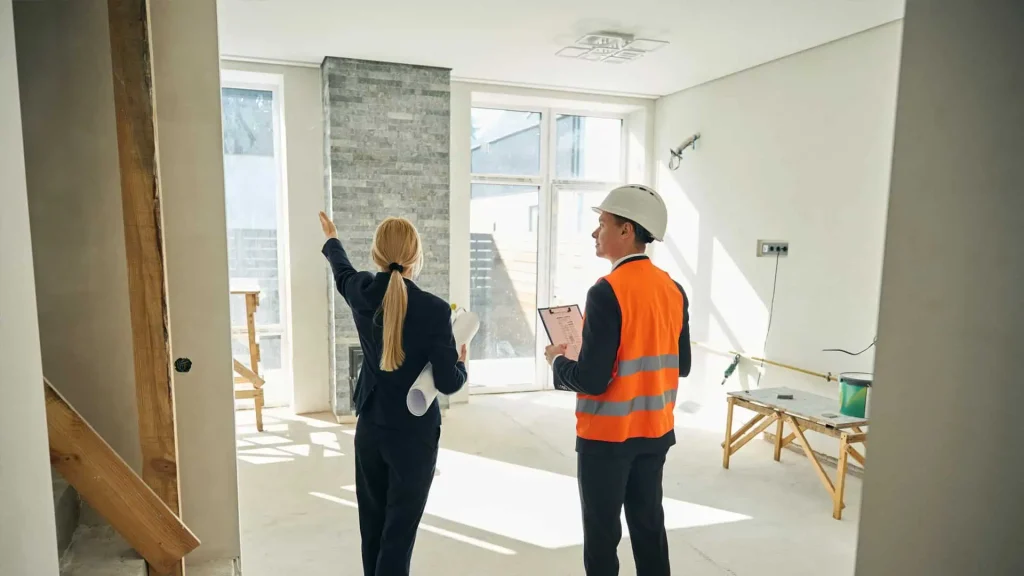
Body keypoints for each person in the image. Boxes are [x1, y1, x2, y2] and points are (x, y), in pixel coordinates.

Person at [543, 185, 691, 576]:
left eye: (602, 223)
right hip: (655, 431)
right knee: (648, 527)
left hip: (607, 439)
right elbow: (683, 363)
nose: (595, 232)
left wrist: (559, 362)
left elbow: (592, 380)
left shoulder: (606, 292)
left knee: (601, 535)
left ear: (627, 230)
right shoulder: (674, 290)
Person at [319, 211, 467, 576]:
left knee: (372, 527)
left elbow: (341, 272)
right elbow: (448, 382)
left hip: (371, 427)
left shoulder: (362, 292)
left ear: (376, 254)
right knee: (399, 534)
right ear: (417, 257)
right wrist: (462, 363)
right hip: (414, 436)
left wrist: (332, 238)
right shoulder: (434, 309)